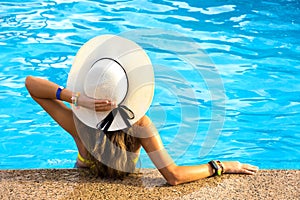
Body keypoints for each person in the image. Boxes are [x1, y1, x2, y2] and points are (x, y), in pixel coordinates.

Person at [25, 35, 258, 185]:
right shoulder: (140, 125)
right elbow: (173, 176)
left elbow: (31, 84)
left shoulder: (80, 125)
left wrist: (75, 98)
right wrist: (221, 166)